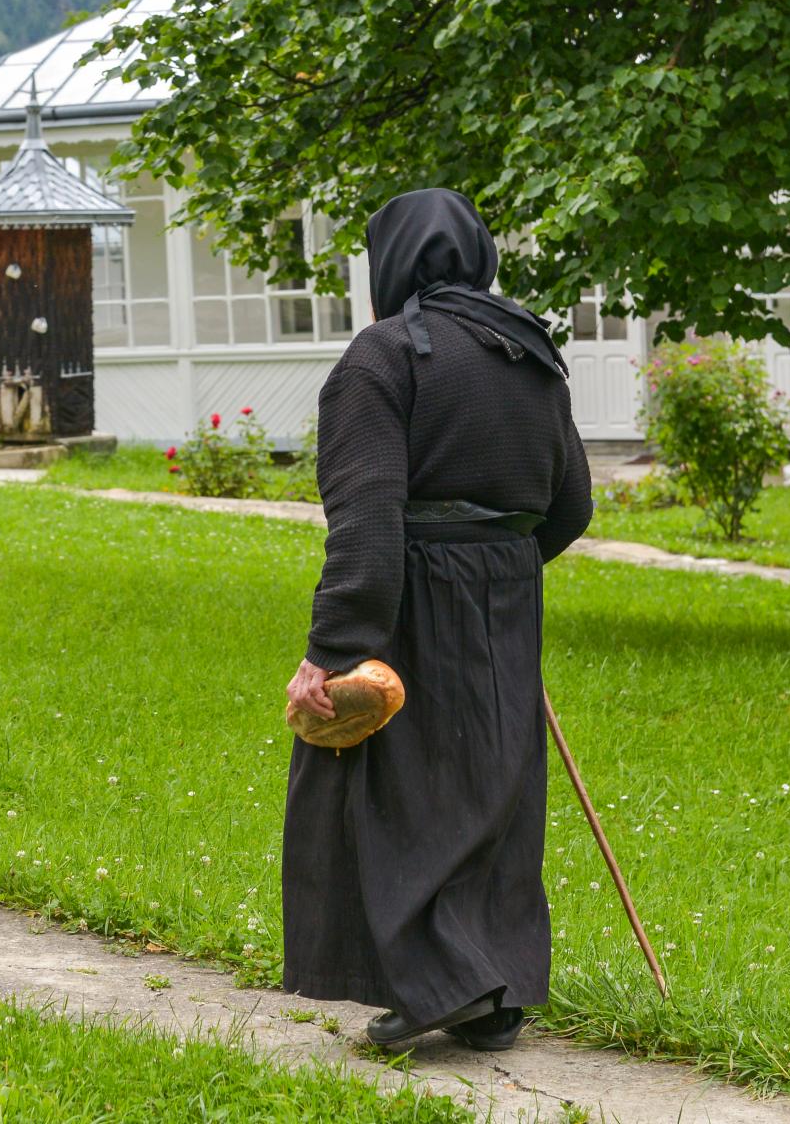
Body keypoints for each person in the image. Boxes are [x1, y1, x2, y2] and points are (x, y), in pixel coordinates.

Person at [282, 188, 592, 1052]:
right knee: (494, 788)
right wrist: (500, 570)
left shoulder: (381, 359)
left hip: (413, 592)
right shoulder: (531, 353)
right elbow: (571, 506)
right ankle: (495, 995)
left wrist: (332, 650)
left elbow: (368, 519)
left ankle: (436, 987)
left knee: (403, 789)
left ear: (390, 261)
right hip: (507, 592)